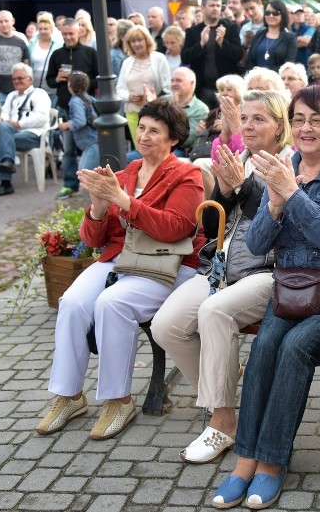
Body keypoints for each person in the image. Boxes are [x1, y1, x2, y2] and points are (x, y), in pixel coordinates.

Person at [212, 86, 320, 509]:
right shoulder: (285, 165)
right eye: (300, 119)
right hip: (294, 289)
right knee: (265, 345)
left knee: (294, 348)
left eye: (318, 121)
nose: (307, 129)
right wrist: (271, 207)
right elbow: (256, 241)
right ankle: (245, 459)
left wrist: (292, 194)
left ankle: (271, 463)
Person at [35, 98, 207, 440]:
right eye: (141, 127)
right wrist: (98, 208)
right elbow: (97, 239)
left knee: (111, 304)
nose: (144, 136)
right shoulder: (126, 174)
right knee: (71, 302)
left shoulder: (187, 175)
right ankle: (69, 396)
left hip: (166, 263)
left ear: (173, 139)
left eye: (154, 131)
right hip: (121, 258)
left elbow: (176, 228)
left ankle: (118, 400)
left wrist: (126, 202)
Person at [151, 89, 294, 464]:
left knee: (214, 312)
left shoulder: (289, 161)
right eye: (244, 118)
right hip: (221, 268)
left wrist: (242, 187)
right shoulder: (239, 159)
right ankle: (223, 383)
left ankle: (223, 420)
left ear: (280, 126)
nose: (248, 125)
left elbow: (276, 224)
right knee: (165, 326)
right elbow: (213, 223)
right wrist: (226, 189)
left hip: (268, 272)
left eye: (258, 119)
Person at [0, 63, 52, 197]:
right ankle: (7, 164)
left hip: (34, 135)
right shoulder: (11, 96)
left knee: (3, 137)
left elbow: (41, 117)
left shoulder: (40, 94)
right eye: (14, 79)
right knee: (4, 130)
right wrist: (6, 121)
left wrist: (19, 124)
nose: (17, 81)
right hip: (12, 134)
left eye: (20, 78)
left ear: (30, 78)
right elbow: (4, 114)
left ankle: (5, 182)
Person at [181, 0, 244, 109]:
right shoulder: (193, 31)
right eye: (212, 5)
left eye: (218, 6)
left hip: (226, 89)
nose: (215, 8)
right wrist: (200, 45)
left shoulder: (231, 28)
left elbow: (238, 55)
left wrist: (222, 43)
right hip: (202, 89)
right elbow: (185, 58)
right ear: (202, 8)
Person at [116, 25, 171, 146]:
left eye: (140, 40)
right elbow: (119, 88)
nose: (137, 44)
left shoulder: (159, 58)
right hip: (132, 111)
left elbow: (167, 87)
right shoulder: (127, 62)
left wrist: (154, 98)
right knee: (139, 147)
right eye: (133, 41)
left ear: (147, 40)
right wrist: (128, 96)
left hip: (154, 111)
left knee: (153, 147)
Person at [55, 71, 98, 196]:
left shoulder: (75, 101)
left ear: (70, 85)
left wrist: (67, 125)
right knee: (85, 173)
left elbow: (80, 121)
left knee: (85, 176)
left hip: (92, 142)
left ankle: (94, 207)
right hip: (91, 143)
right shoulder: (87, 97)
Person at [245, 0, 297, 72]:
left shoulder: (290, 38)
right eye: (267, 13)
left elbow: (288, 64)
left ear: (283, 15)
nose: (271, 16)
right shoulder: (258, 34)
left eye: (275, 13)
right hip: (255, 79)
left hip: (277, 80)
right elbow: (250, 60)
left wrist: (267, 75)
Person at [28, 13, 62, 106]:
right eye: (40, 29)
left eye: (45, 29)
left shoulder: (59, 43)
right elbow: (28, 63)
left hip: (54, 88)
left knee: (52, 114)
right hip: (35, 87)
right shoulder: (32, 43)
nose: (43, 31)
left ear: (51, 29)